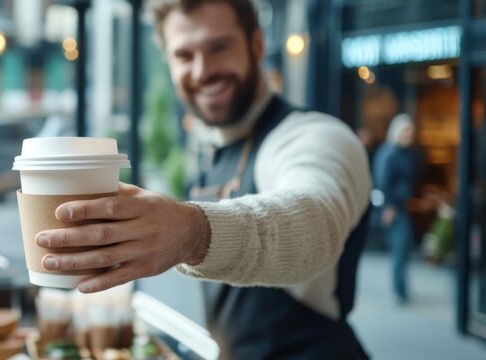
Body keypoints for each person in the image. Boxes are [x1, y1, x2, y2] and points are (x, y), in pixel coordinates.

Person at [33, 0, 372, 358]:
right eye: (184, 55)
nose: (202, 71)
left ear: (256, 45)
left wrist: (191, 233)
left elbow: (313, 222)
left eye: (218, 48)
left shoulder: (317, 137)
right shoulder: (212, 147)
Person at [373, 114, 417, 305]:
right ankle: (399, 291)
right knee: (399, 248)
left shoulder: (405, 153)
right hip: (393, 207)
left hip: (402, 205)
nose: (410, 135)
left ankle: (402, 288)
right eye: (407, 131)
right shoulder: (389, 153)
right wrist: (387, 207)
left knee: (404, 247)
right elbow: (382, 181)